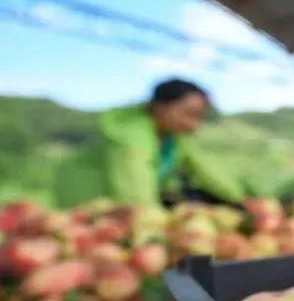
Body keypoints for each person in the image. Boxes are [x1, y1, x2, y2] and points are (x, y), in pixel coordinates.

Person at [54, 78, 246, 209]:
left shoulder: (175, 138)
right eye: (189, 115)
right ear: (161, 107)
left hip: (121, 211)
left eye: (198, 117)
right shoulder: (131, 137)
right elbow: (135, 197)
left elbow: (208, 170)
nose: (194, 125)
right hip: (84, 208)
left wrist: (242, 201)